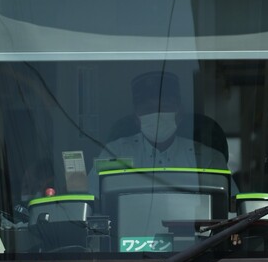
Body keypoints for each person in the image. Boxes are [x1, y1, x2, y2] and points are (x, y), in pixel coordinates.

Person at [92, 72, 227, 181]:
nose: (156, 114)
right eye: (148, 109)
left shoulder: (207, 158)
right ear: (135, 118)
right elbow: (93, 198)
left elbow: (230, 205)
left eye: (164, 107)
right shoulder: (115, 153)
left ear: (180, 114)